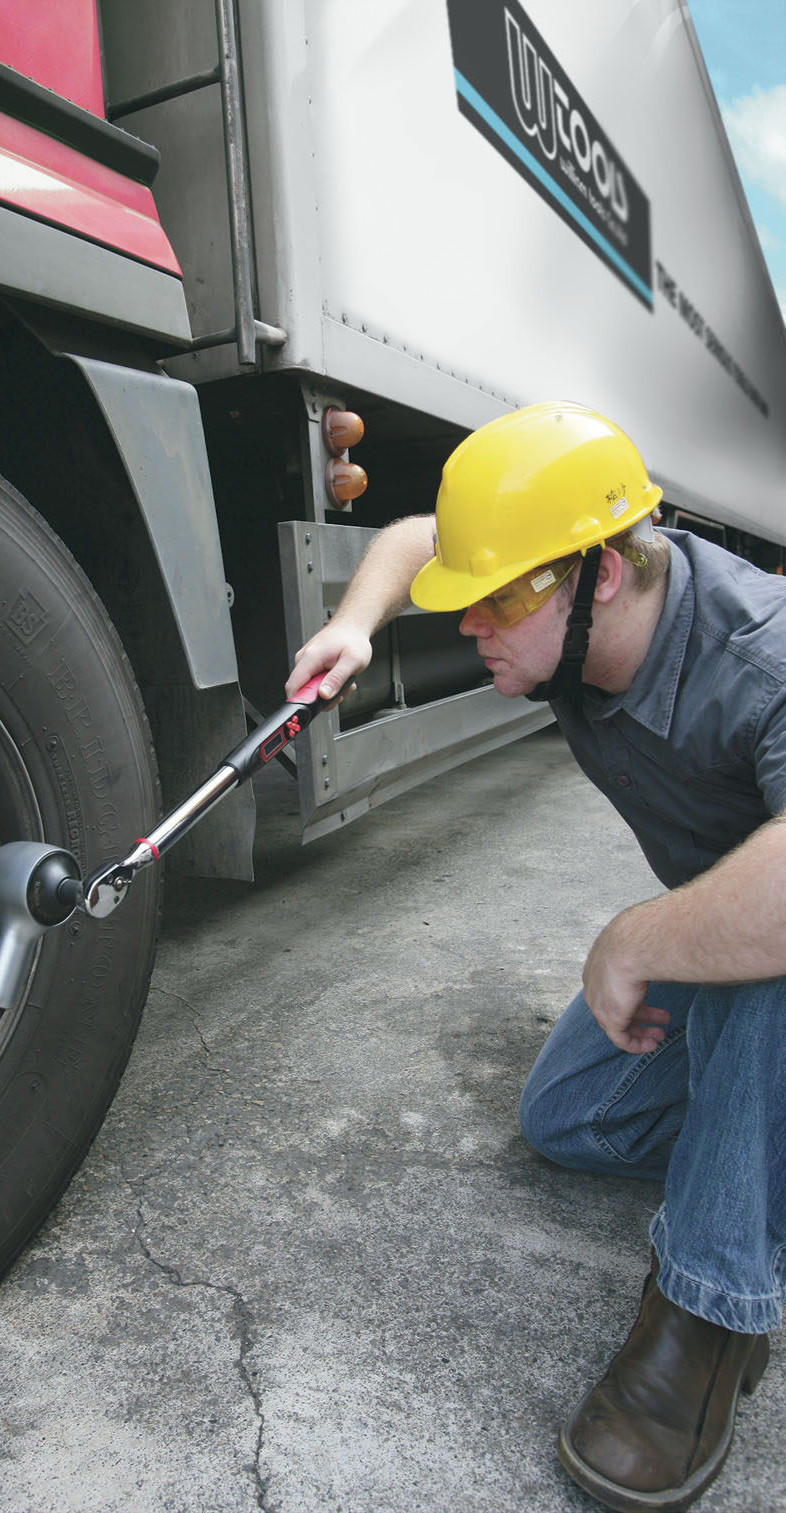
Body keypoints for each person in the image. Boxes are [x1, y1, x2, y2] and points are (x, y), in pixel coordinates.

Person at [285, 400, 783, 1513]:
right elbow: (421, 539)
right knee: (571, 1118)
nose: (470, 625)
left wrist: (634, 938)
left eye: (497, 601)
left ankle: (708, 1307)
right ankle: (752, 1155)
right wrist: (358, 624)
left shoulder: (765, 659)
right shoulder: (561, 604)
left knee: (764, 934)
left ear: (599, 575)